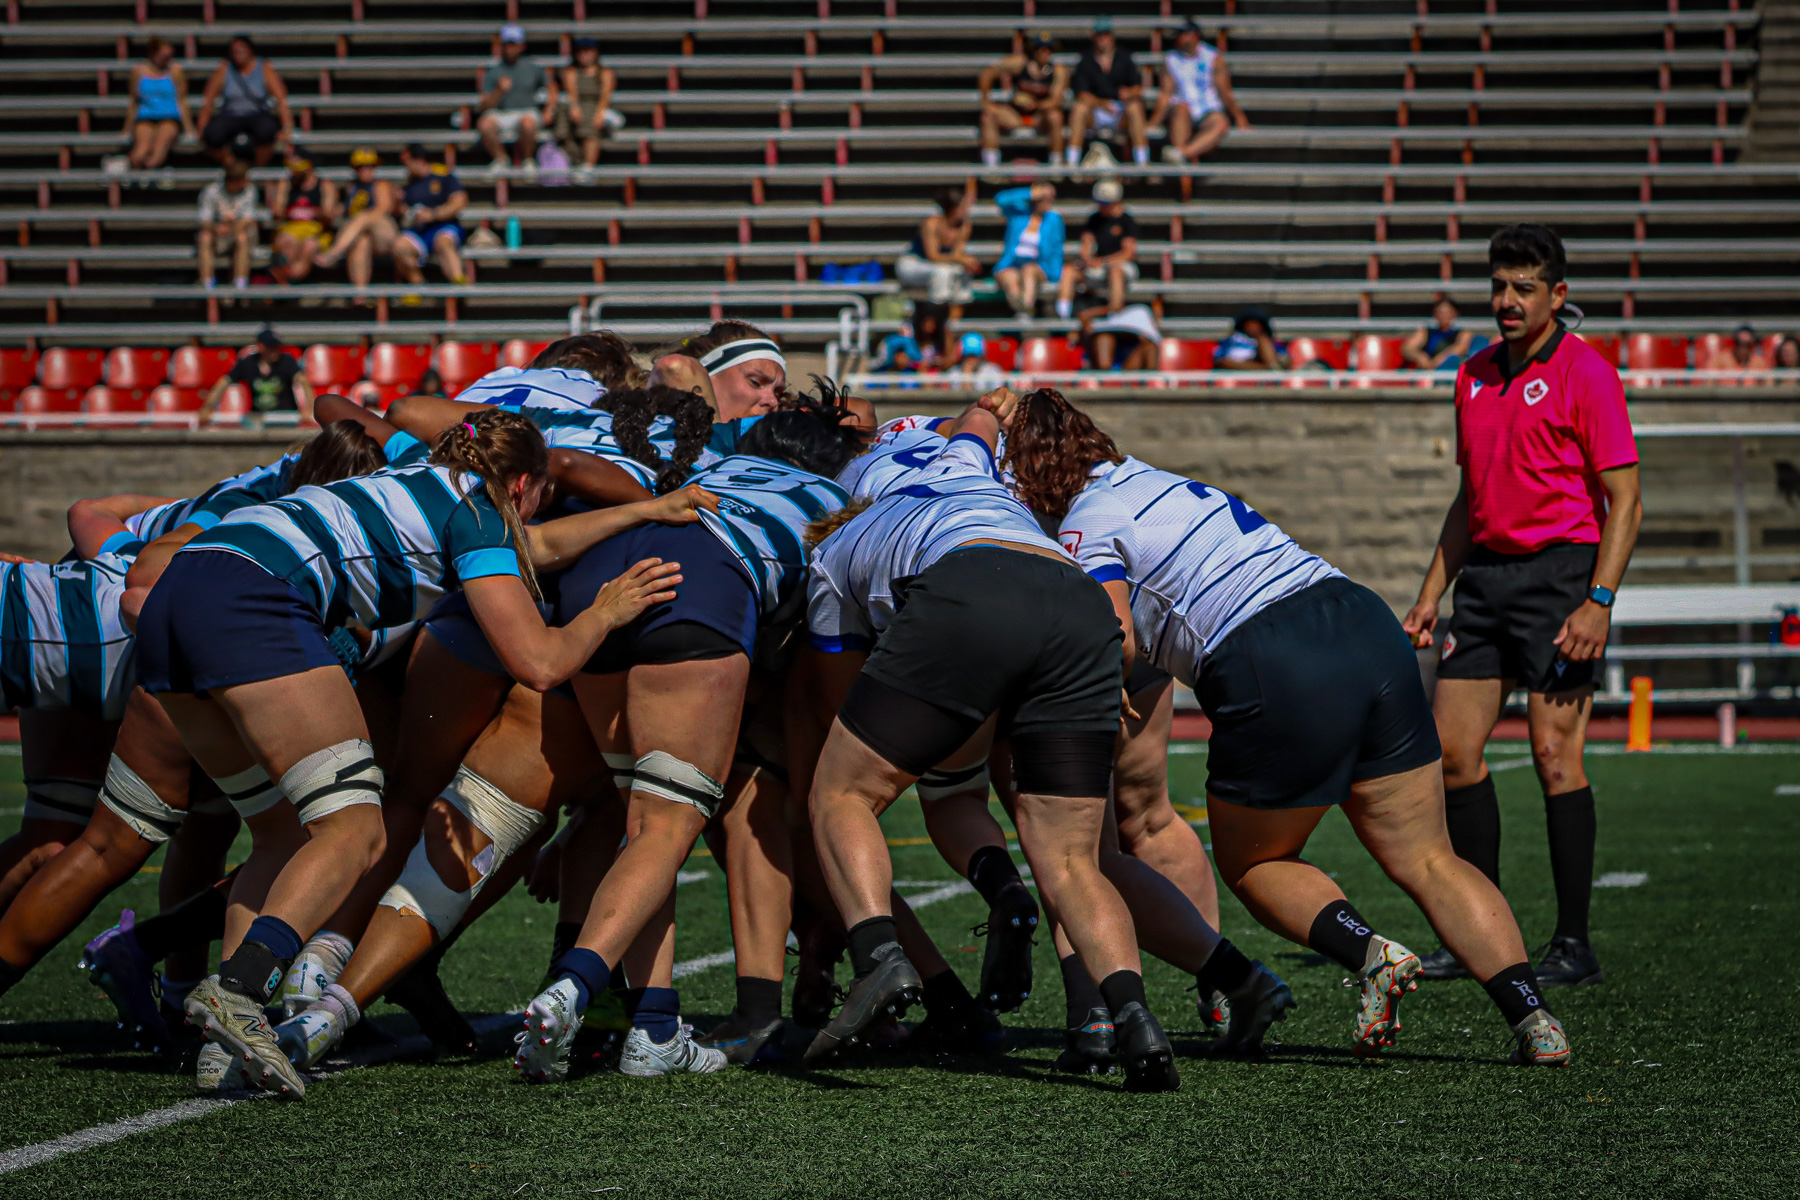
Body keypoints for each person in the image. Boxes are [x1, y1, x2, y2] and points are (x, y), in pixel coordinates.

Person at [997, 386, 1573, 1067]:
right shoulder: (1159, 480)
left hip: (1270, 658)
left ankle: (1370, 954)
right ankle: (1534, 1018)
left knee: (1255, 861)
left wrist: (1097, 680)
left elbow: (1117, 635)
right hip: (1358, 618)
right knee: (1429, 857)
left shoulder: (1085, 520)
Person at [132, 407, 683, 1097]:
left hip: (180, 593)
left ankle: (226, 1045)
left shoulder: (419, 475)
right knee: (356, 830)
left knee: (278, 835)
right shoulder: (478, 508)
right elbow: (539, 662)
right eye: (540, 493)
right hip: (254, 600)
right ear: (523, 486)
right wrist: (604, 611)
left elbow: (533, 549)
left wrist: (643, 512)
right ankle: (239, 990)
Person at [796, 394, 1180, 1090]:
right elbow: (976, 426)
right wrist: (983, 405)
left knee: (840, 790)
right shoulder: (960, 464)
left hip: (968, 587)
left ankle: (880, 953)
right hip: (1075, 600)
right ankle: (1133, 1016)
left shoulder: (829, 557)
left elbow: (839, 708)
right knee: (1070, 858)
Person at [514, 392, 859, 1084]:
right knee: (667, 825)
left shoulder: (720, 469)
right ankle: (574, 986)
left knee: (643, 825)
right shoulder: (838, 498)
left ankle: (654, 1026)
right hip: (700, 577)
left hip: (600, 568)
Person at [1402, 223, 1642, 992]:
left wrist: (1598, 601)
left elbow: (1627, 501)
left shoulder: (1587, 373)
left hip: (1563, 579)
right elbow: (1468, 499)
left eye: (1524, 288)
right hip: (1488, 583)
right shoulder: (1471, 374)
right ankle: (1481, 930)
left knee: (1552, 757)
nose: (1507, 301)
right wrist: (1431, 593)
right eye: (1500, 286)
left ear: (1557, 296)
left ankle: (1574, 942)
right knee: (1453, 754)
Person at [1150, 19, 1249, 166]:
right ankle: (1179, 158)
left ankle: (1182, 153)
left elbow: (1224, 91)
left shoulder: (1213, 57)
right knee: (1179, 110)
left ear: (1194, 36)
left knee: (1221, 122)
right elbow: (1165, 94)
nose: (1179, 39)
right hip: (1183, 108)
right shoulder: (1171, 59)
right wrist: (1154, 121)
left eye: (1183, 35)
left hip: (1208, 109)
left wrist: (1238, 116)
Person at [197, 35, 291, 167]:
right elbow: (208, 99)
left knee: (267, 132)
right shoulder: (224, 68)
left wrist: (287, 126)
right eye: (234, 51)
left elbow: (280, 98)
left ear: (250, 50)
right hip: (231, 114)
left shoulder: (264, 67)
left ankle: (258, 166)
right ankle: (232, 165)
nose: (238, 55)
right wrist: (202, 127)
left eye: (241, 50)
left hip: (257, 113)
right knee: (213, 134)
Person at [1066, 18, 1148, 168]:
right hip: (1095, 111)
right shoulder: (1086, 60)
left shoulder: (1124, 57)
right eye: (1099, 35)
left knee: (1135, 108)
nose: (1103, 39)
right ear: (1093, 37)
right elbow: (1081, 93)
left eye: (1106, 34)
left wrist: (1129, 93)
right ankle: (1071, 162)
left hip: (1120, 111)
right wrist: (1101, 103)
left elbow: (1138, 87)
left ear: (1112, 36)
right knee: (1079, 109)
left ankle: (1142, 163)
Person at [314, 147, 398, 292]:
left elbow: (385, 208)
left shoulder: (380, 184)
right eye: (361, 167)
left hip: (384, 233)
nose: (366, 170)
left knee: (363, 216)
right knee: (361, 242)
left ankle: (334, 252)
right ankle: (360, 293)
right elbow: (345, 210)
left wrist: (360, 218)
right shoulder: (352, 186)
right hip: (364, 236)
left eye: (370, 166)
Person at [978, 33, 1068, 167]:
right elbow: (988, 73)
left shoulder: (1058, 71)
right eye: (1040, 49)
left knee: (1056, 117)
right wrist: (986, 101)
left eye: (1047, 49)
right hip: (1015, 114)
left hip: (1039, 116)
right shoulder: (1019, 63)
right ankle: (991, 166)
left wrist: (1035, 104)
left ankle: (1056, 164)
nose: (1043, 53)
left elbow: (1055, 100)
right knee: (988, 116)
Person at [666, 321, 786, 420]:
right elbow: (669, 366)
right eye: (755, 382)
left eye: (777, 393)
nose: (773, 402)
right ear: (703, 379)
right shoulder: (657, 442)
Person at [1056, 179, 1138, 319]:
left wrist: (1103, 261)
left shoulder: (1126, 221)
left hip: (1119, 266)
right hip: (1098, 267)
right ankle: (1063, 314)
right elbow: (1086, 242)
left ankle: (1114, 314)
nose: (1101, 206)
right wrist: (1087, 258)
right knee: (1069, 270)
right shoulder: (1094, 219)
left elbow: (1128, 253)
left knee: (1115, 271)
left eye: (1105, 203)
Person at [478, 24, 551, 177]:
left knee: (527, 123)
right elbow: (485, 105)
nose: (509, 49)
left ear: (521, 46)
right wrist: (498, 91)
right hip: (502, 113)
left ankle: (528, 160)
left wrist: (549, 109)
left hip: (527, 111)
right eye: (506, 45)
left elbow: (552, 87)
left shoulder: (533, 68)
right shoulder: (493, 72)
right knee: (484, 124)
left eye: (513, 45)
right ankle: (501, 159)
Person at [394, 143, 468, 290]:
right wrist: (398, 203)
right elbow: (403, 211)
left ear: (419, 160)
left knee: (443, 241)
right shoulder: (409, 185)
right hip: (420, 231)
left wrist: (434, 214)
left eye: (407, 162)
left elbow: (459, 201)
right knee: (399, 246)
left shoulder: (443, 176)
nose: (405, 166)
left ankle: (458, 280)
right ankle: (417, 283)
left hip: (444, 225)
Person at [203, 327, 312, 422]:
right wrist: (208, 407)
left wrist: (310, 409)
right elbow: (224, 382)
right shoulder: (248, 363)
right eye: (271, 346)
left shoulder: (287, 361)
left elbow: (303, 381)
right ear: (260, 346)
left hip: (285, 417)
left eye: (277, 346)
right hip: (259, 418)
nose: (275, 350)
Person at [894, 189, 980, 307]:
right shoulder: (932, 223)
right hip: (914, 264)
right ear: (952, 209)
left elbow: (956, 255)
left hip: (938, 266)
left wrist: (968, 263)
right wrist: (961, 259)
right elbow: (932, 255)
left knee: (962, 271)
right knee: (942, 272)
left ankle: (957, 310)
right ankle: (938, 312)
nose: (967, 211)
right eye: (963, 207)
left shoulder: (964, 227)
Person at [993, 182, 1064, 322]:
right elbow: (1000, 199)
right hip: (1013, 263)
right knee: (1010, 278)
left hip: (1037, 265)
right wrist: (1029, 193)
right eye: (1044, 198)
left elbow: (1056, 248)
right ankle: (1023, 310)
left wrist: (1056, 274)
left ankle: (1025, 311)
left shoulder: (1053, 219)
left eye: (1050, 198)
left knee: (1028, 270)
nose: (1047, 202)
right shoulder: (1019, 214)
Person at [123, 37, 196, 172]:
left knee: (159, 151)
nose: (166, 60)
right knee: (140, 151)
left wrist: (189, 128)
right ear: (153, 54)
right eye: (163, 56)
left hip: (169, 117)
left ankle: (147, 175)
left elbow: (182, 100)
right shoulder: (139, 71)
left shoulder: (175, 71)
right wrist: (126, 129)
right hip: (145, 117)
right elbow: (134, 101)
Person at [267, 157, 339, 285]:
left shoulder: (324, 184)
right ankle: (289, 278)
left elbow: (329, 214)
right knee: (287, 241)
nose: (295, 171)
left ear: (309, 166)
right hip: (292, 227)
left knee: (309, 245)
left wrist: (315, 212)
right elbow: (278, 210)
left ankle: (290, 279)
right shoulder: (288, 183)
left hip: (315, 229)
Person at [556, 37, 620, 174]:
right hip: (579, 107)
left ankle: (588, 166)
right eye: (581, 52)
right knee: (566, 122)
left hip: (597, 108)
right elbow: (572, 93)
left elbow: (605, 96)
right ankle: (577, 161)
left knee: (591, 125)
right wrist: (574, 107)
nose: (584, 55)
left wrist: (600, 113)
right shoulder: (571, 72)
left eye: (588, 51)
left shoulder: (604, 73)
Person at [196, 159, 259, 292]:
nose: (246, 182)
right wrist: (216, 228)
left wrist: (230, 228)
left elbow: (247, 220)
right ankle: (207, 282)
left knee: (242, 237)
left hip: (239, 233)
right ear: (234, 181)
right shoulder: (211, 192)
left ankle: (240, 281)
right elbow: (204, 220)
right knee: (204, 237)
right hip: (217, 234)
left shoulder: (250, 191)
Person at [1403, 298, 1476, 371]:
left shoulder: (1463, 332)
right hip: (1428, 371)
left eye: (1448, 312)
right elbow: (1407, 348)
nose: (1444, 315)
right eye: (1440, 312)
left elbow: (1461, 348)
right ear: (1435, 314)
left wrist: (1440, 359)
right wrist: (1420, 357)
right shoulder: (1426, 331)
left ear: (1455, 313)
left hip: (1450, 372)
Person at [1082, 303, 1159, 371]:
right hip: (1102, 373)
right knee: (1104, 339)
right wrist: (1109, 309)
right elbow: (1083, 316)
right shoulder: (1103, 338)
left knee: (1150, 347)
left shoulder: (1145, 347)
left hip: (1129, 376)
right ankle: (1105, 376)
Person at [1214, 307, 1288, 371]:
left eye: (1256, 324)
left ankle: (1271, 370)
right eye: (1249, 324)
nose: (1253, 327)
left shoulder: (1268, 341)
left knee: (1263, 340)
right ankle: (1267, 370)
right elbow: (1220, 360)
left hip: (1260, 361)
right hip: (1237, 366)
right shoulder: (1232, 340)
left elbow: (1283, 358)